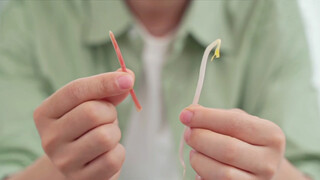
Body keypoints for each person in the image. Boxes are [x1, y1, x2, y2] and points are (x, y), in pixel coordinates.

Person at [0, 0, 319, 180]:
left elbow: (305, 166)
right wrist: (57, 171)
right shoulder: (28, 18)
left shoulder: (267, 13)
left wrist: (276, 174)